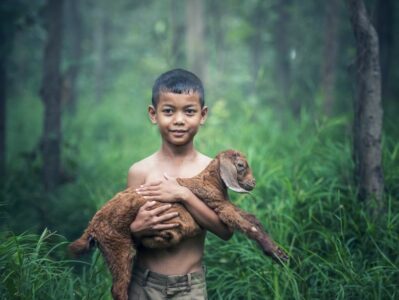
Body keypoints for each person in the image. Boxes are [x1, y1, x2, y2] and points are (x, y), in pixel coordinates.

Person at [127, 68, 232, 299]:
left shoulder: (212, 171)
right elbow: (122, 233)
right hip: (142, 285)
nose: (179, 120)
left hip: (190, 288)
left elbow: (225, 230)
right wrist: (136, 229)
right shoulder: (140, 171)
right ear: (153, 114)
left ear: (202, 115)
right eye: (168, 111)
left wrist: (184, 195)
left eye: (189, 111)